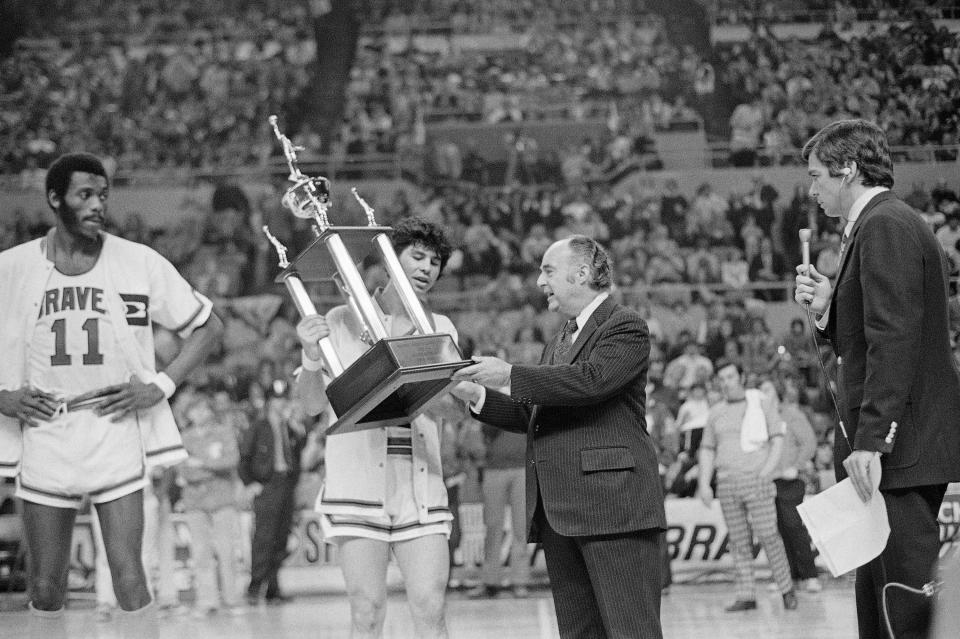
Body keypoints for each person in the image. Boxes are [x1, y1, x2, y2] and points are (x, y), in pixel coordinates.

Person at [0, 152, 223, 631]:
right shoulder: (11, 268)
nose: (97, 205)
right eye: (85, 195)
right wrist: (1, 396)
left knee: (129, 574)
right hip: (45, 429)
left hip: (114, 425)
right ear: (54, 198)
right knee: (45, 583)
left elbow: (208, 326)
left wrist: (160, 385)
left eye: (103, 195)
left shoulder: (138, 261)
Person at [451, 235, 666, 639]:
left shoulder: (625, 325)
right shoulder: (560, 340)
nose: (539, 282)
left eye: (548, 270)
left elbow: (591, 381)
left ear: (581, 273)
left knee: (631, 630)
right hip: (562, 514)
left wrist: (511, 374)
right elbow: (535, 412)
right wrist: (476, 394)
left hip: (612, 509)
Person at [794, 119, 960, 639]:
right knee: (882, 600)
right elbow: (876, 331)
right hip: (899, 447)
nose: (813, 189)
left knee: (901, 604)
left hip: (899, 451)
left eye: (818, 176)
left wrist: (873, 439)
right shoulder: (884, 223)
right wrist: (829, 309)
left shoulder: (884, 224)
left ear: (847, 171)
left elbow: (894, 338)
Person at [294, 217, 459, 639]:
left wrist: (424, 379)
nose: (427, 268)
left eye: (435, 261)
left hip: (420, 487)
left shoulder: (439, 329)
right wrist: (311, 355)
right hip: (358, 483)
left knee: (430, 606)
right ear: (389, 261)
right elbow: (313, 404)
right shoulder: (340, 319)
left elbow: (453, 413)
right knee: (366, 612)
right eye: (416, 256)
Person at [697, 362, 797, 612]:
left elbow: (777, 439)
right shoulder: (715, 412)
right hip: (727, 483)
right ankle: (746, 594)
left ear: (741, 377)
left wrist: (766, 471)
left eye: (730, 376)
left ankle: (786, 589)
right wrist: (703, 483)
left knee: (769, 536)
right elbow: (707, 450)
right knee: (739, 541)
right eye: (722, 378)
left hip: (756, 480)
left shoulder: (760, 404)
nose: (725, 382)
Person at [238, 390, 307, 606]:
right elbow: (244, 458)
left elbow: (298, 452)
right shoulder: (258, 427)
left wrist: (298, 430)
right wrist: (251, 483)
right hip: (268, 485)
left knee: (281, 537)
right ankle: (255, 586)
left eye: (283, 399)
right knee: (264, 537)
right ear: (269, 402)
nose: (281, 403)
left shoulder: (289, 427)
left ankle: (273, 588)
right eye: (277, 399)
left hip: (286, 483)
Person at [178, 391, 244, 617]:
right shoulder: (184, 437)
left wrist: (202, 463)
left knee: (227, 551)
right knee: (200, 552)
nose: (200, 413)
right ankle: (207, 601)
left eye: (204, 408)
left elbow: (232, 460)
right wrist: (212, 467)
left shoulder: (223, 432)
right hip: (195, 502)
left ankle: (231, 599)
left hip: (222, 499)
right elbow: (183, 470)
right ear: (188, 413)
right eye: (195, 409)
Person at [765, 377, 821, 593]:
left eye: (767, 390)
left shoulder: (791, 414)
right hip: (770, 480)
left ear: (777, 393)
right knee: (779, 530)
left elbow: (809, 442)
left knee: (794, 528)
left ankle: (810, 575)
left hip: (790, 480)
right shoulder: (761, 417)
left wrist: (797, 467)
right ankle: (789, 576)